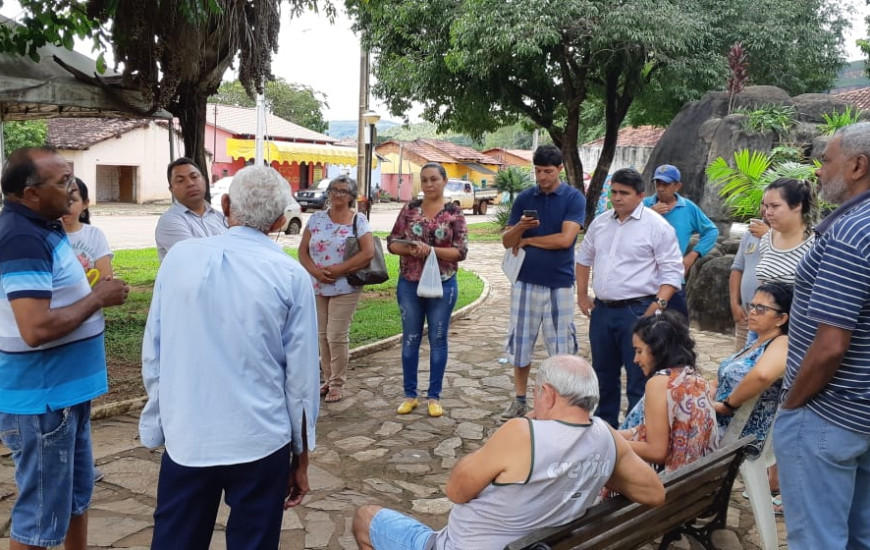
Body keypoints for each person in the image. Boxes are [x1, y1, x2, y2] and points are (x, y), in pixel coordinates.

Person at [139, 165, 320, 549]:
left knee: (175, 541)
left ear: (224, 206)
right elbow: (301, 382)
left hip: (188, 436)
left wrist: (160, 420)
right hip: (261, 440)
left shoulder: (179, 259)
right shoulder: (291, 275)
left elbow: (155, 350)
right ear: (279, 220)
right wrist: (301, 458)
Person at [351, 355, 666, 550]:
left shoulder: (522, 433)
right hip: (547, 542)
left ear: (547, 394)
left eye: (536, 393)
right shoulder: (606, 437)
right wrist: (589, 472)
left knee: (365, 518)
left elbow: (456, 490)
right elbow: (654, 494)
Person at [0, 147, 130, 550]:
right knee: (39, 518)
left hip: (65, 396)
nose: (73, 188)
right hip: (44, 402)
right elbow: (35, 328)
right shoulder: (22, 236)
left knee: (75, 497)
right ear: (31, 193)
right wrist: (97, 298)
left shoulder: (43, 226)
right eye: (63, 181)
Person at [774, 122, 870, 549]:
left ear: (857, 166)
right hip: (862, 414)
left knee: (817, 541)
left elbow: (831, 345)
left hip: (826, 413)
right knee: (860, 537)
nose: (818, 170)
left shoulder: (850, 233)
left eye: (826, 161)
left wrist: (793, 403)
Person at [576, 168, 684, 427]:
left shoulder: (657, 226)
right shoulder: (601, 223)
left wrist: (657, 306)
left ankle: (638, 433)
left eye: (624, 193)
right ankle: (606, 431)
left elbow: (672, 271)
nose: (617, 198)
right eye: (613, 192)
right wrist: (581, 294)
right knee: (603, 374)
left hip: (638, 311)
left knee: (639, 376)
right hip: (602, 311)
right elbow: (584, 257)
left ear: (640, 195)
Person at [500, 145, 586, 419]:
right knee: (521, 342)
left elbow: (565, 239)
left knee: (561, 346)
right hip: (525, 281)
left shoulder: (573, 198)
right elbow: (507, 241)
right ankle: (520, 399)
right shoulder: (525, 198)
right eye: (537, 171)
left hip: (559, 283)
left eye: (548, 171)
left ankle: (560, 402)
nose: (542, 177)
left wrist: (529, 240)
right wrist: (520, 228)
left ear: (559, 169)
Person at [386, 162, 468, 418]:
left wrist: (431, 250)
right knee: (410, 339)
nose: (429, 184)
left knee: (438, 339)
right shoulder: (409, 209)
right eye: (424, 180)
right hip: (410, 283)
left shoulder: (454, 212)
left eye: (434, 179)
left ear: (444, 181)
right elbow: (392, 243)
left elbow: (460, 251)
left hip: (443, 283)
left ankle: (434, 396)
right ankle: (410, 395)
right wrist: (412, 249)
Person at [298, 175, 375, 403]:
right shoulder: (316, 219)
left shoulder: (358, 220)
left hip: (345, 285)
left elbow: (368, 252)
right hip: (318, 284)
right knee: (322, 335)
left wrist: (339, 270)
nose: (338, 194)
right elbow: (303, 251)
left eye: (343, 191)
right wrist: (315, 272)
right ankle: (328, 379)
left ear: (351, 196)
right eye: (334, 189)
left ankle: (337, 384)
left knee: (336, 335)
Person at [60, 177, 113, 484]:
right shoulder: (47, 236)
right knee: (63, 404)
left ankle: (83, 466)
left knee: (82, 402)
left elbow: (106, 281)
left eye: (74, 199)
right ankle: (70, 467)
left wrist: (84, 295)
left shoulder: (94, 235)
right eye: (63, 198)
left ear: (85, 203)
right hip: (58, 331)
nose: (67, 205)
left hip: (89, 329)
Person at [619, 312, 718, 473]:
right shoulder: (694, 378)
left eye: (639, 351)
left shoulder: (658, 384)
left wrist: (613, 444)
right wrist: (610, 435)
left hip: (672, 480)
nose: (635, 360)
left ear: (657, 349)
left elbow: (657, 452)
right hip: (698, 475)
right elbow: (655, 432)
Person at [713, 283, 791, 454]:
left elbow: (762, 375)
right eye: (752, 306)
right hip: (720, 423)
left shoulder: (781, 342)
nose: (752, 312)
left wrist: (728, 405)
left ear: (781, 319)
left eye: (761, 308)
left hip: (742, 432)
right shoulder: (756, 343)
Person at [644, 164, 719, 316]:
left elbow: (711, 231)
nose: (660, 188)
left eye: (666, 184)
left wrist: (692, 256)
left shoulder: (688, 208)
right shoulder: (644, 206)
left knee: (676, 324)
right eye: (658, 183)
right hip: (643, 280)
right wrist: (649, 214)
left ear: (677, 186)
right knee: (644, 324)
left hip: (673, 280)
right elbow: (627, 229)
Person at [154, 157, 227, 261]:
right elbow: (195, 258)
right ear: (172, 189)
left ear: (204, 180)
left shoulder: (221, 217)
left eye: (194, 177)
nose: (190, 183)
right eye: (180, 180)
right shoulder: (170, 221)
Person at [755, 178, 815, 286]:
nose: (768, 212)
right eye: (766, 206)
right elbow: (763, 281)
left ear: (797, 205)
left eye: (775, 206)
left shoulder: (816, 243)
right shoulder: (767, 238)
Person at [729, 209, 770, 351]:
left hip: (770, 316)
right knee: (739, 357)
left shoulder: (787, 236)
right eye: (764, 204)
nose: (766, 209)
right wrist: (734, 303)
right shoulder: (750, 233)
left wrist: (769, 236)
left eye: (773, 205)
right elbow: (737, 268)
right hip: (746, 313)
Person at [61, 178, 113, 278]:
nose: (65, 206)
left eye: (72, 200)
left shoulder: (95, 235)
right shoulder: (48, 234)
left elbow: (105, 277)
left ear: (85, 203)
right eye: (60, 200)